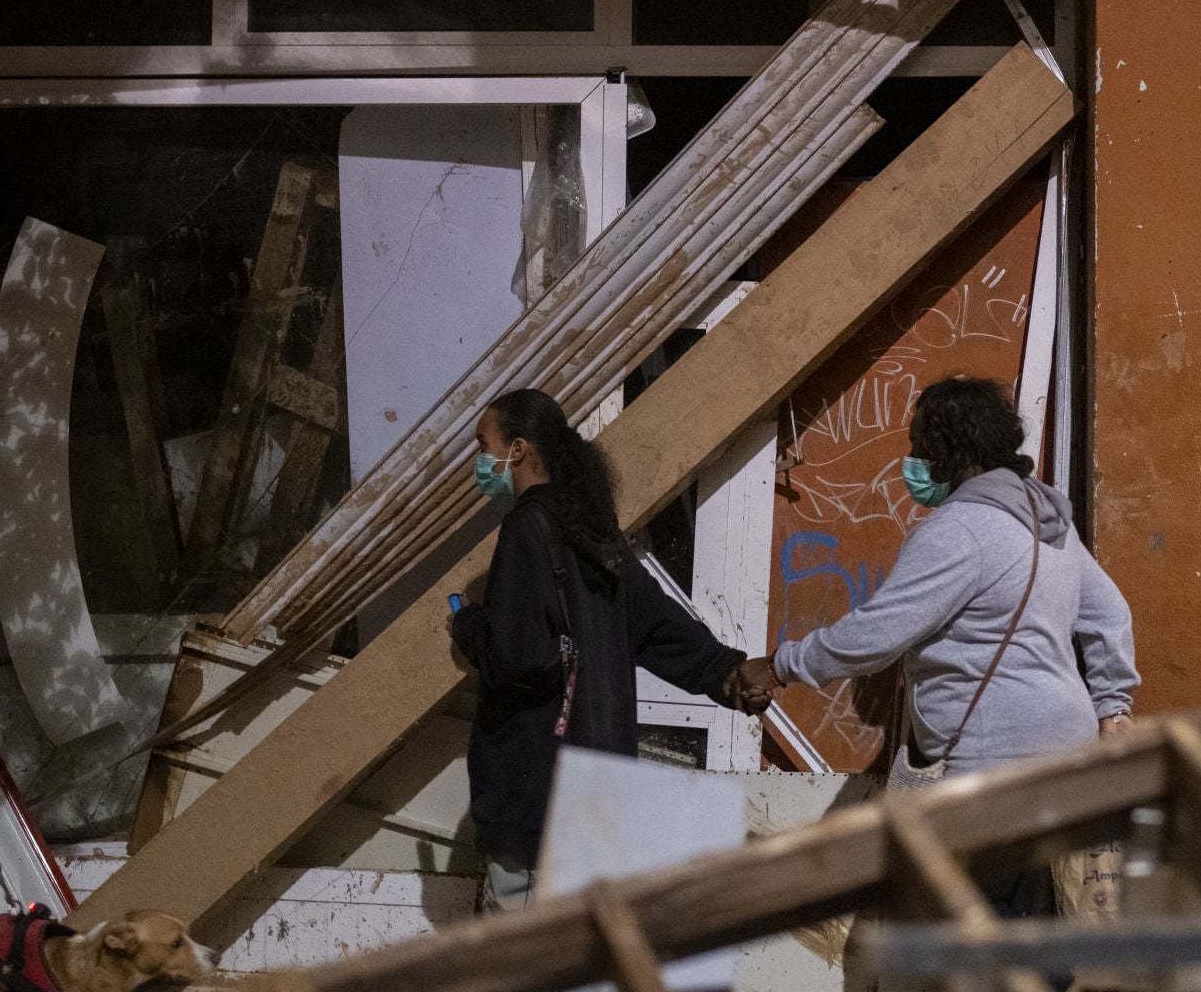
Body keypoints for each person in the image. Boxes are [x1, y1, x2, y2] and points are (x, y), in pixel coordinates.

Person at [746, 376, 1138, 919]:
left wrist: (780, 665)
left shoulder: (961, 529)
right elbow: (1110, 613)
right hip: (1067, 751)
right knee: (1038, 927)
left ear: (946, 451)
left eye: (918, 446)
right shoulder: (1050, 526)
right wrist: (1113, 704)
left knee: (993, 937)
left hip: (994, 762)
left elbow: (876, 635)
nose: (913, 460)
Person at [449, 388, 777, 913]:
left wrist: (470, 625)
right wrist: (726, 670)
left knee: (518, 969)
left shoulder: (527, 529)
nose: (479, 459)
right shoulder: (593, 532)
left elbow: (518, 658)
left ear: (517, 449)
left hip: (537, 796)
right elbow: (656, 625)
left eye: (482, 444)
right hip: (597, 790)